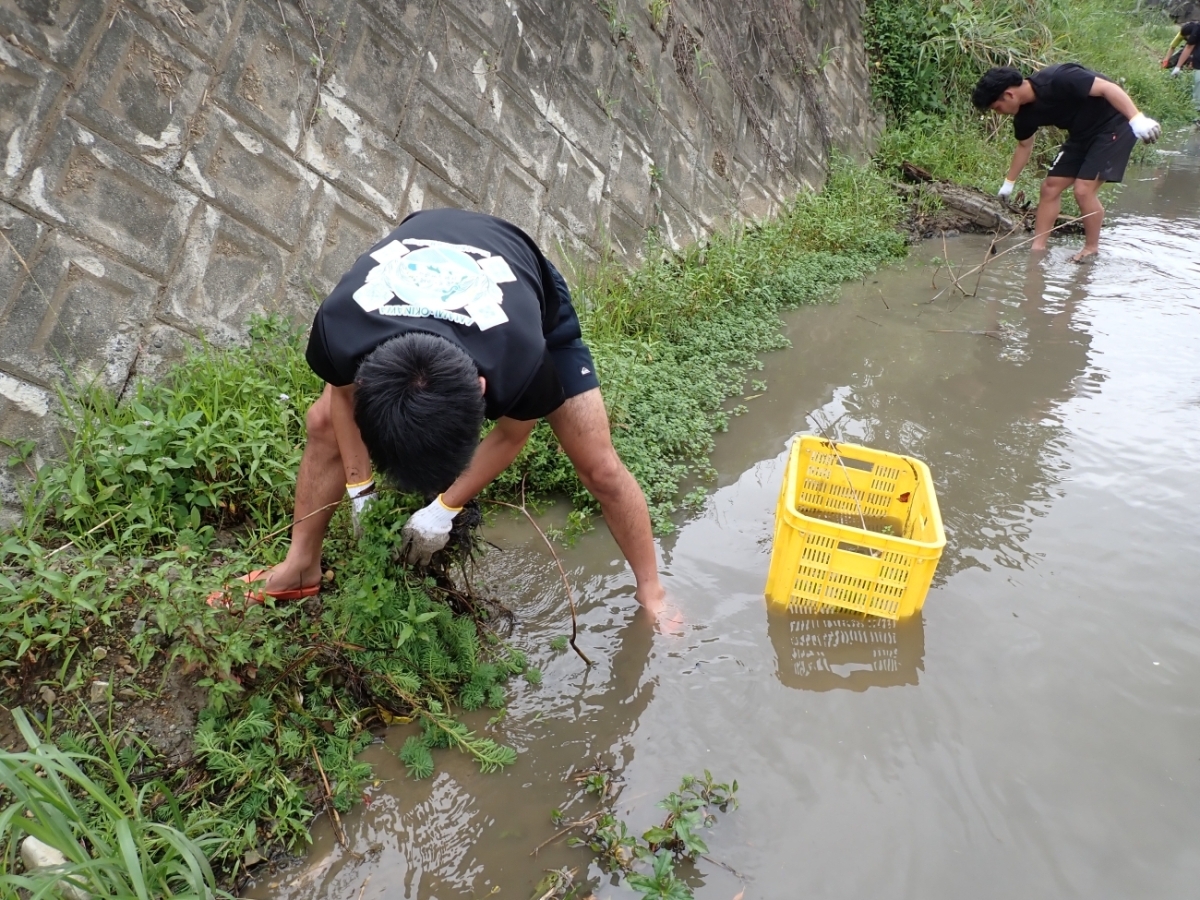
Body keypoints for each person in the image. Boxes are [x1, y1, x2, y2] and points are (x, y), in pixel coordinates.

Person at [210, 208, 668, 618]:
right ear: (368, 374)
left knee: (600, 468)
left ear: (482, 389)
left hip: (524, 282)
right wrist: (359, 487)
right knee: (322, 423)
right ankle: (299, 568)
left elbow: (510, 435)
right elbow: (342, 398)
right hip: (423, 244)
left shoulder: (523, 357)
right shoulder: (341, 325)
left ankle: (653, 593)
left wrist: (445, 506)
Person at [971, 63, 1161, 262]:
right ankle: (1038, 249)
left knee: (1083, 189)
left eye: (996, 108)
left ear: (1009, 95)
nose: (998, 113)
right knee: (1050, 188)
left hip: (1114, 125)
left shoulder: (1059, 78)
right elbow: (1024, 146)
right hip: (1081, 135)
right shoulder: (1024, 115)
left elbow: (1108, 88)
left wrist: (1136, 119)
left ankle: (1091, 250)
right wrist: (1008, 183)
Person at [1163, 20, 1200, 116]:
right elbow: (1172, 47)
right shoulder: (1182, 34)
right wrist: (1166, 61)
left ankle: (1197, 111)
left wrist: (1178, 67)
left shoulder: (1195, 32)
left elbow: (1189, 48)